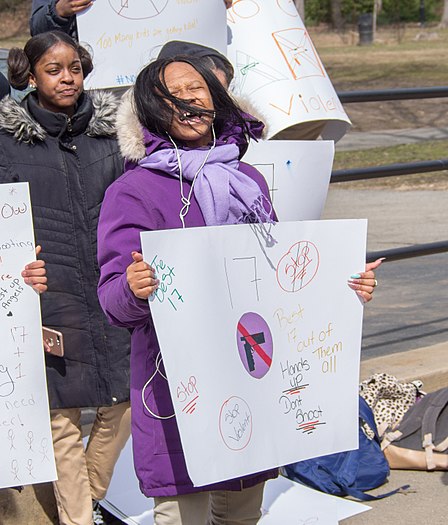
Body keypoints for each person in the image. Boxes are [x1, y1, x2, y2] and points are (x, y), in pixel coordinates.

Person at [96, 55, 380, 524]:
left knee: (241, 516)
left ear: (215, 98)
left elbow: (276, 278)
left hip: (251, 377)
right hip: (177, 391)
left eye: (195, 88)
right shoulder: (135, 191)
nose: (185, 99)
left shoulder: (248, 180)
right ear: (150, 112)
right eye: (169, 96)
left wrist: (343, 284)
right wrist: (132, 287)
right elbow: (112, 303)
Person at [0, 31, 131, 525]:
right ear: (29, 76)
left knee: (126, 397)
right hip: (45, 292)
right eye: (53, 69)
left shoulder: (113, 134)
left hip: (109, 285)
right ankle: (79, 519)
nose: (67, 78)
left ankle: (87, 498)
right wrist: (10, 268)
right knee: (61, 416)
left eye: (74, 67)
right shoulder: (5, 143)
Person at [30, 0, 234, 40]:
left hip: (172, 75)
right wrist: (58, 11)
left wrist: (213, 5)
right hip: (102, 84)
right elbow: (37, 29)